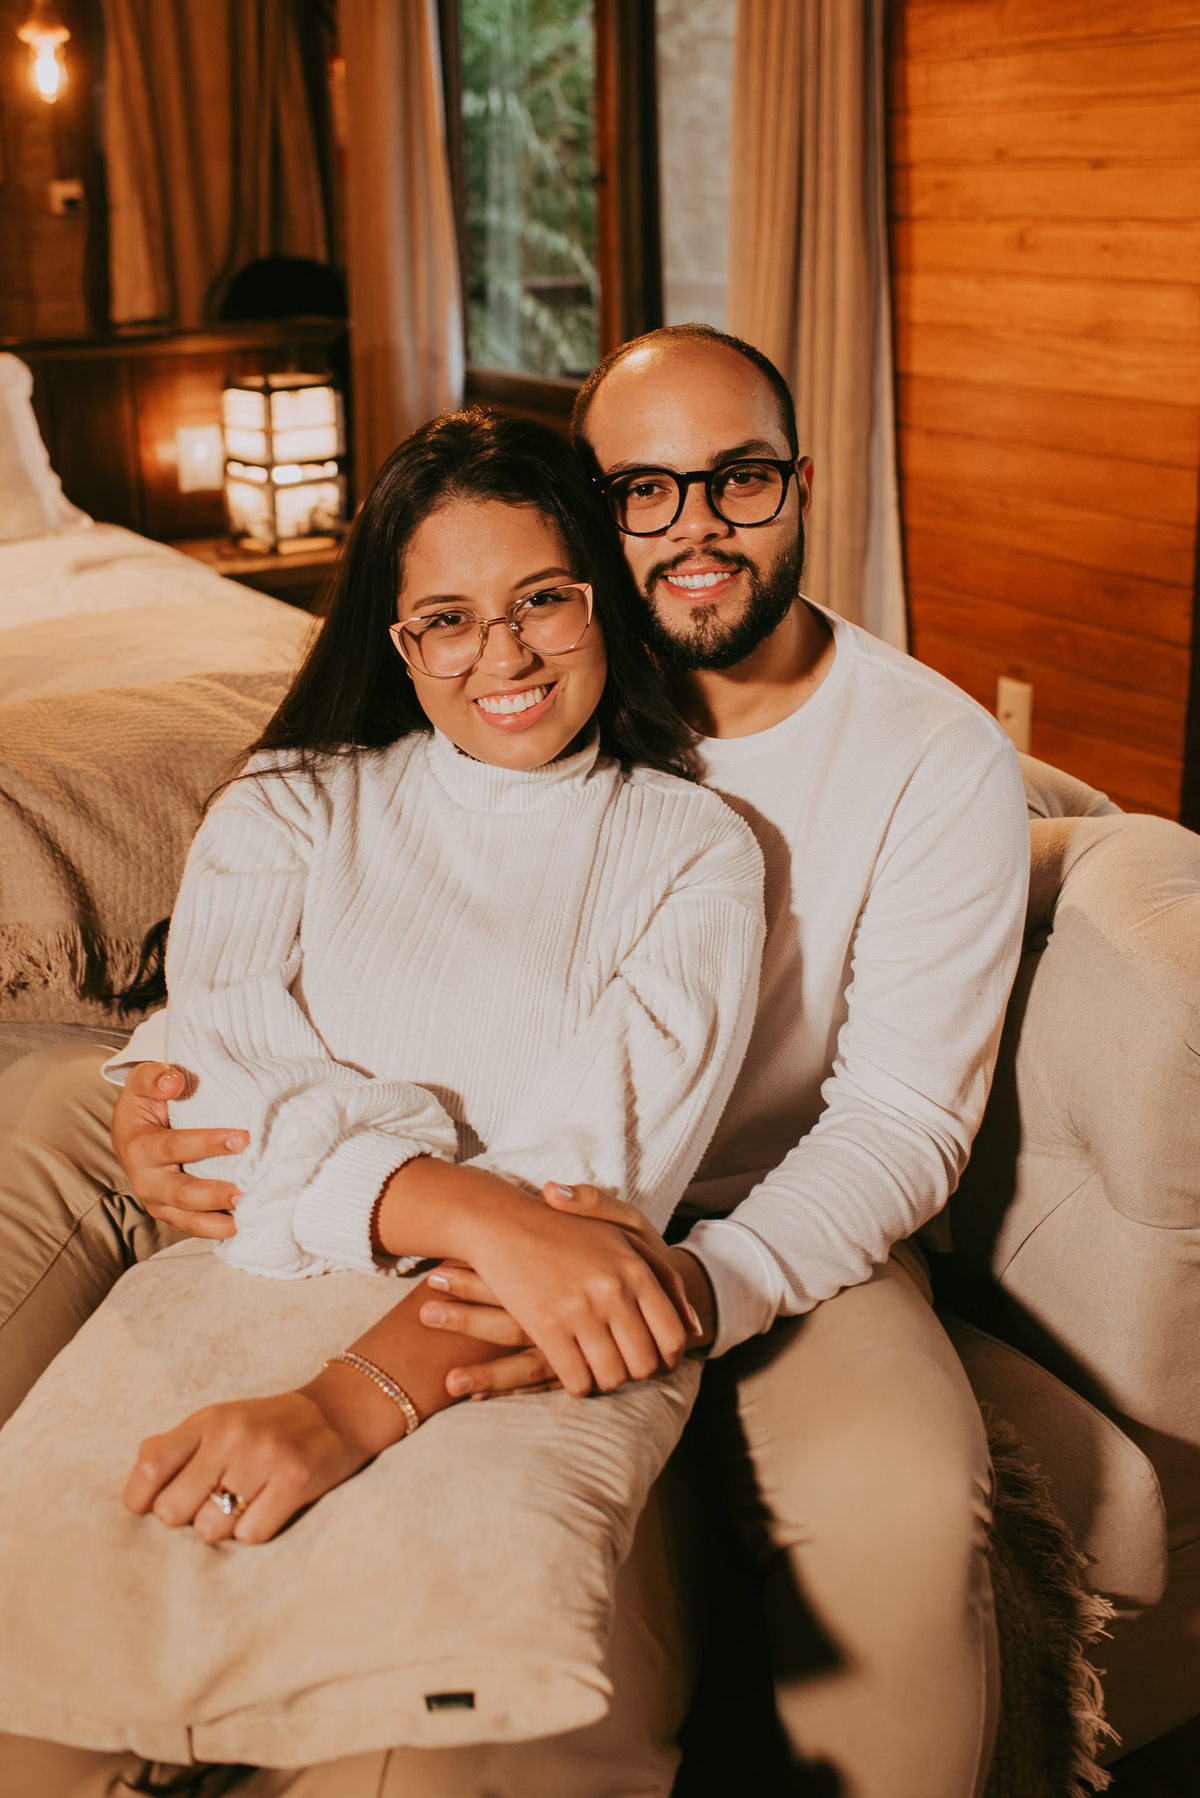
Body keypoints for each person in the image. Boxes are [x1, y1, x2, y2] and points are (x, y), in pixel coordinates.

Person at [0, 326, 1030, 1798]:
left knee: (906, 1510)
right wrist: (166, 1107)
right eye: (644, 491)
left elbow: (898, 1120)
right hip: (448, 1211)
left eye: (738, 481)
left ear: (801, 482)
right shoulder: (350, 780)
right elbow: (236, 1027)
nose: (694, 530)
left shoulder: (906, 765)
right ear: (591, 512)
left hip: (747, 1215)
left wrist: (686, 1282)